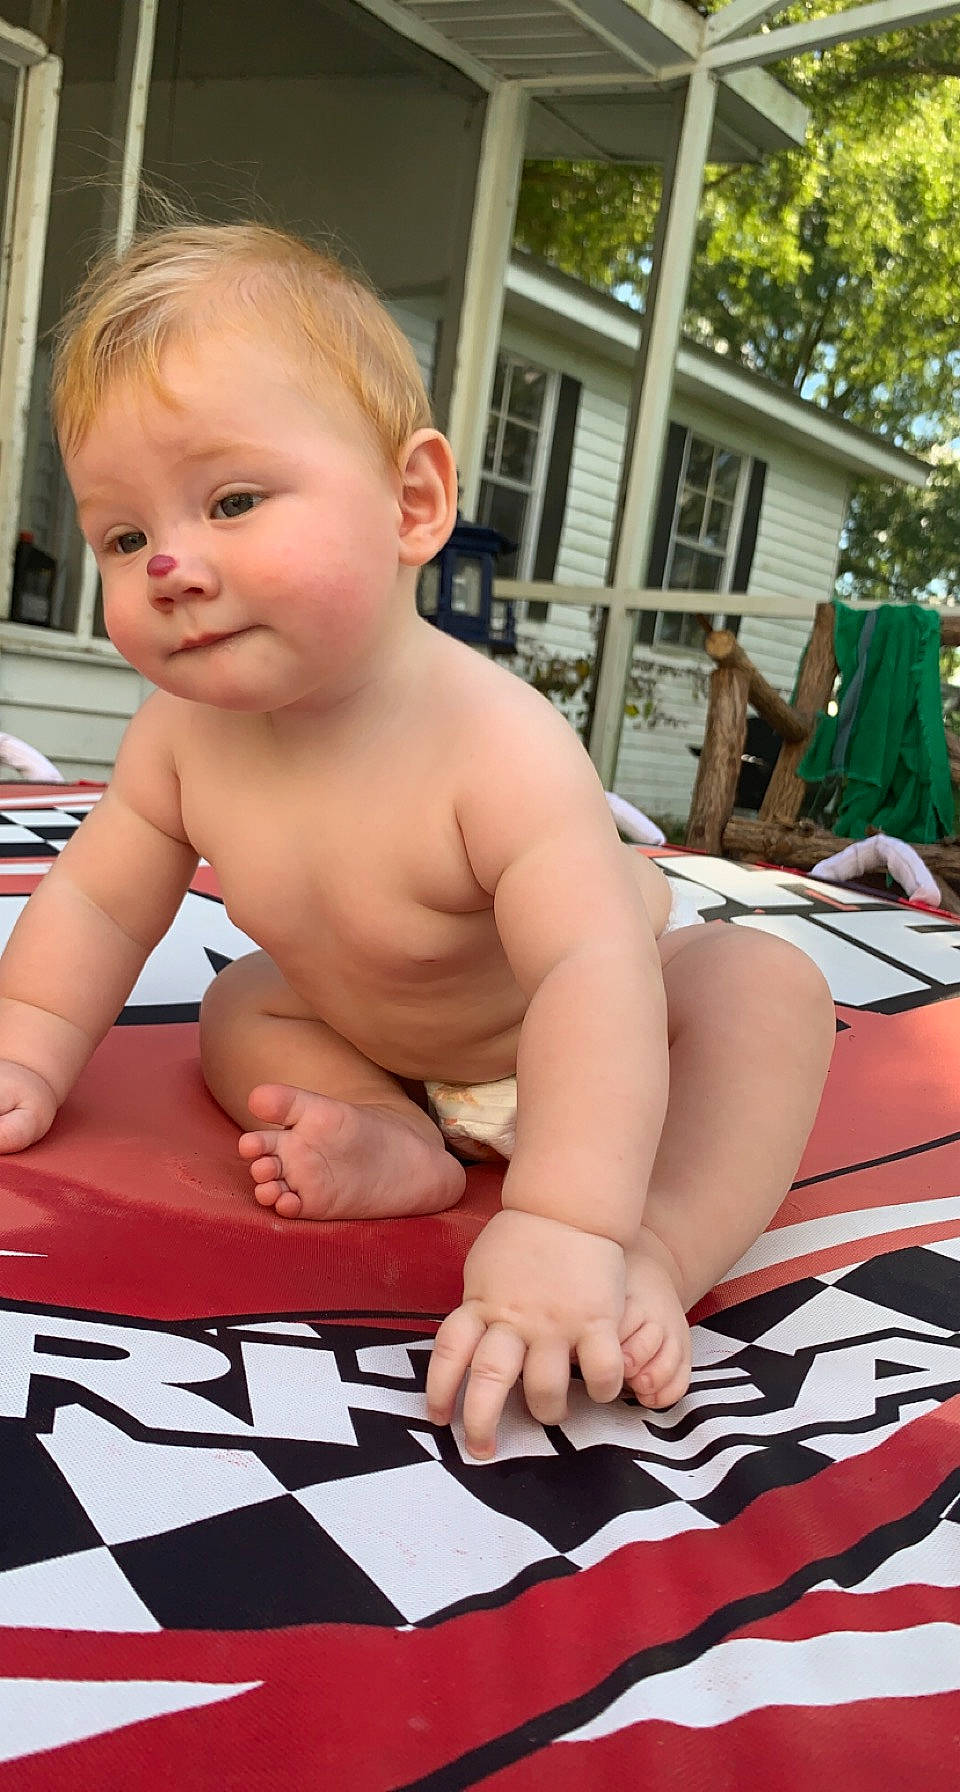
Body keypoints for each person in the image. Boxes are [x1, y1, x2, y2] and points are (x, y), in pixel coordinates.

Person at [0, 223, 836, 1458]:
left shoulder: (493, 743)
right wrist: (27, 1048)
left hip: (590, 1051)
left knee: (767, 987)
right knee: (240, 1005)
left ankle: (653, 1246)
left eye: (232, 499)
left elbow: (585, 974)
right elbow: (102, 907)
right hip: (387, 1046)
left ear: (412, 503)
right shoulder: (179, 738)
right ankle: (394, 1140)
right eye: (123, 536)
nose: (169, 563)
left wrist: (566, 1218)